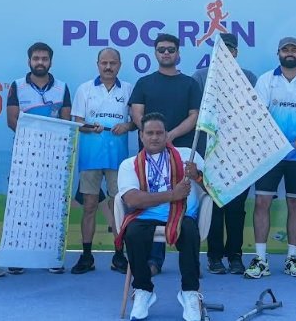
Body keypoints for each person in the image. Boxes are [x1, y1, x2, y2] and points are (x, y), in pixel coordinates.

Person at [245, 36, 296, 279]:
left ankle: (291, 259)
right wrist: (277, 145)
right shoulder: (266, 80)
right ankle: (261, 260)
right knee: (262, 202)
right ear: (278, 53)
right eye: (285, 49)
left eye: (294, 49)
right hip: (269, 154)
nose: (289, 53)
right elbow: (258, 116)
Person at [117, 113, 207, 321]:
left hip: (181, 212)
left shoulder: (187, 155)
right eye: (150, 133)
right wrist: (172, 195)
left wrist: (197, 176)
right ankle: (143, 290)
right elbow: (132, 200)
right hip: (145, 214)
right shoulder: (130, 164)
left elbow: (213, 189)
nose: (155, 137)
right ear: (141, 136)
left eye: (159, 133)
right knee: (133, 233)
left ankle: (189, 293)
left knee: (189, 231)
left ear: (167, 135)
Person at [128, 33, 202, 275]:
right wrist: (155, 136)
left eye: (171, 49)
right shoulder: (144, 83)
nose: (166, 53)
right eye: (162, 49)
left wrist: (170, 135)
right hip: (151, 155)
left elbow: (194, 116)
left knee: (185, 204)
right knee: (152, 205)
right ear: (155, 53)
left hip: (181, 153)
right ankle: (152, 261)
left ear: (178, 53)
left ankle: (190, 263)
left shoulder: (190, 84)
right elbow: (136, 114)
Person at [192, 33, 257, 275]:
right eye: (221, 49)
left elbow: (255, 113)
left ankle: (236, 256)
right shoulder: (200, 77)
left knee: (236, 209)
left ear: (236, 52)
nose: (226, 53)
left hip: (240, 155)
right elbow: (196, 113)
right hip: (210, 154)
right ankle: (215, 256)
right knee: (215, 207)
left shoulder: (249, 77)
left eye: (230, 49)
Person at [5, 41, 72, 275]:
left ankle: (51, 256)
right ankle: (17, 255)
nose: (40, 62)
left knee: (51, 204)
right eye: (36, 59)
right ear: (29, 61)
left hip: (54, 155)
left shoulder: (62, 87)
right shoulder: (17, 86)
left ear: (50, 62)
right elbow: (11, 120)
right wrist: (34, 141)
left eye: (44, 59)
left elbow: (65, 121)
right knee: (21, 204)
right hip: (24, 153)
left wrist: (50, 143)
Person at [70, 48, 134, 274]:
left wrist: (126, 126)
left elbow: (135, 122)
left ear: (119, 65)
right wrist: (90, 127)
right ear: (97, 64)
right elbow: (77, 123)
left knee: (119, 207)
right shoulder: (84, 89)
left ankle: (119, 255)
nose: (108, 67)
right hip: (91, 157)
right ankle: (87, 256)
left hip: (118, 159)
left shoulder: (128, 89)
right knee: (89, 206)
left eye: (112, 63)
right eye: (104, 63)